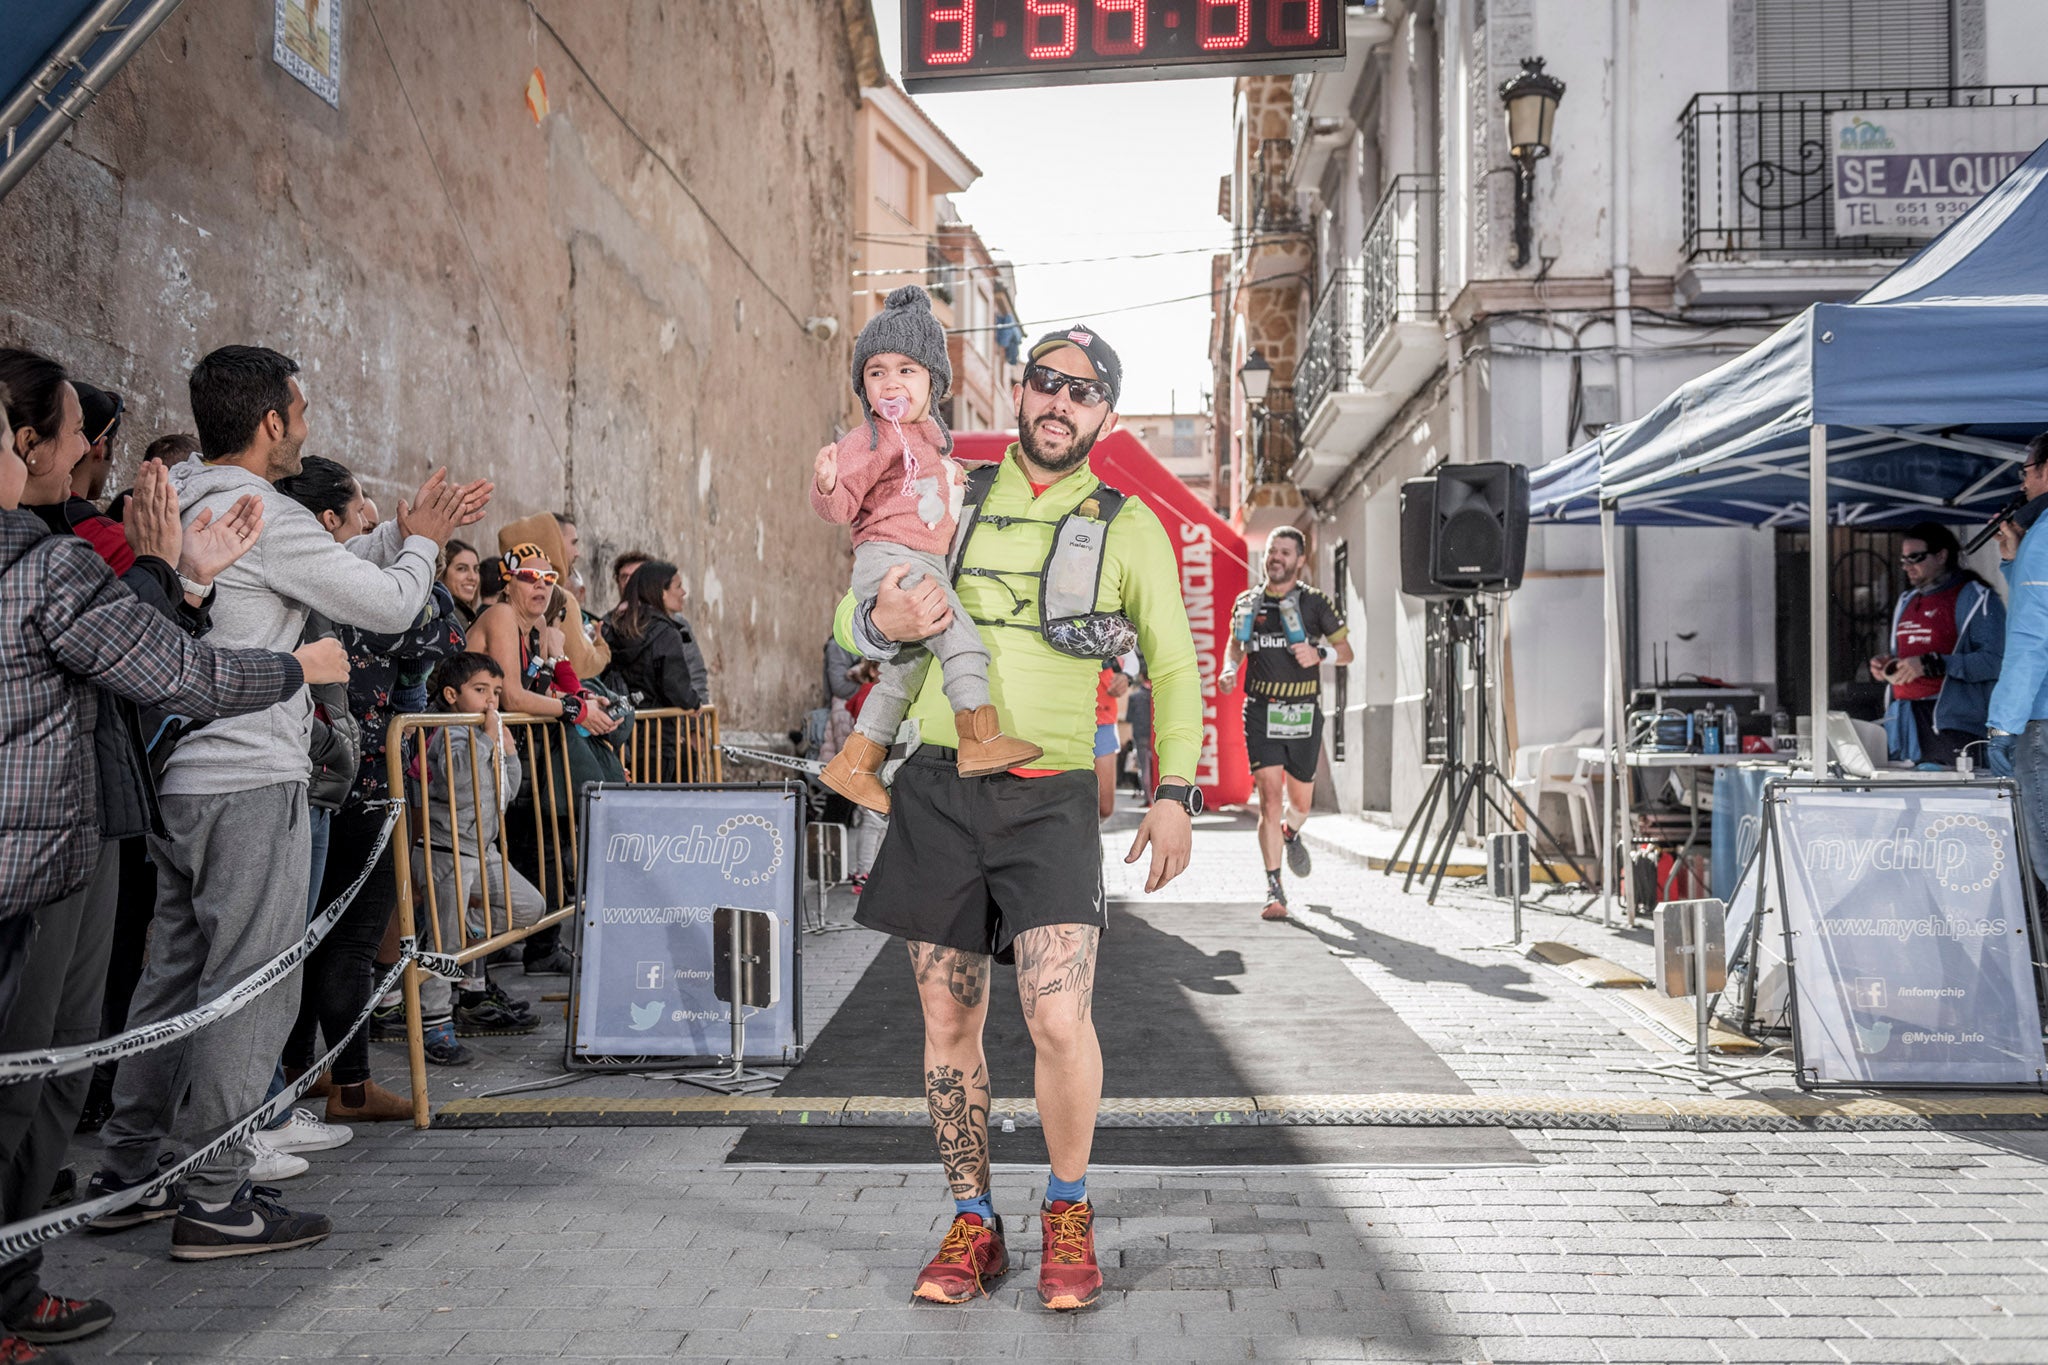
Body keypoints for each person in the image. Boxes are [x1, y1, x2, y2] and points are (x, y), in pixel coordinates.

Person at [87, 345, 490, 1261]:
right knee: (249, 988)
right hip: (247, 780)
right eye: (300, 408)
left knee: (176, 981)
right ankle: (219, 1195)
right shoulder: (264, 510)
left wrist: (408, 537)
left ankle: (126, 1171)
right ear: (271, 421)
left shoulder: (183, 489)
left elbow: (326, 575)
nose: (306, 423)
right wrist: (423, 541)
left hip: (183, 781)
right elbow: (384, 605)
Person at [838, 324, 1200, 1311]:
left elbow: (1171, 664)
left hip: (1047, 800)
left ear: (1104, 417)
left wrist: (1173, 794)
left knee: (1055, 1014)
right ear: (1019, 393)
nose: (1057, 401)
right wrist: (878, 625)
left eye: (1081, 392)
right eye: (1044, 382)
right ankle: (971, 1221)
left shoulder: (1126, 524)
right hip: (937, 786)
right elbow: (851, 607)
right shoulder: (950, 491)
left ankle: (1067, 1210)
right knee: (948, 1016)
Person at [0, 358, 343, 1357]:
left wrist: (176, 576)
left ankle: (38, 1260)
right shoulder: (46, 562)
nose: (86, 452)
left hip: (74, 838)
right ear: (26, 446)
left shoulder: (51, 556)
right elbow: (168, 672)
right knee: (37, 1074)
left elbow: (130, 653)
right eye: (70, 434)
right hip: (45, 853)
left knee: (71, 1056)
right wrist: (294, 662)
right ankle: (184, 1203)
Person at [275, 453, 481, 1093]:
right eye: (360, 504)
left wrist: (412, 550)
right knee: (348, 942)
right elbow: (436, 633)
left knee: (313, 942)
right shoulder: (343, 591)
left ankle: (307, 1081)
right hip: (353, 782)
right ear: (327, 518)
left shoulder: (316, 577)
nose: (372, 515)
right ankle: (346, 1085)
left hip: (333, 777)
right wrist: (425, 563)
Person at [814, 286, 1042, 812]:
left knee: (904, 672)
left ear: (934, 382)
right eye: (876, 371)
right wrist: (827, 484)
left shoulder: (927, 443)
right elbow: (840, 507)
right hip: (895, 559)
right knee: (961, 639)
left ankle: (857, 760)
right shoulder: (874, 437)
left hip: (914, 558)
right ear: (863, 386)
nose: (890, 381)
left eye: (906, 370)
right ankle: (980, 736)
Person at [467, 541, 619, 976]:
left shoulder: (532, 630)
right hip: (471, 757)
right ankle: (466, 986)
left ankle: (491, 973)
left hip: (510, 758)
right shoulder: (499, 616)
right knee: (480, 868)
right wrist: (576, 709)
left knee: (532, 853)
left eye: (549, 579)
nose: (541, 586)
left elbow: (545, 692)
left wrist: (566, 676)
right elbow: (511, 695)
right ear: (508, 581)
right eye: (530, 578)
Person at [1219, 527, 1353, 921]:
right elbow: (1235, 644)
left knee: (1300, 805)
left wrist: (1319, 654)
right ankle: (1274, 886)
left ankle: (1292, 831)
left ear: (1299, 561)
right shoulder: (1248, 601)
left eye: (1284, 552)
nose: (1275, 557)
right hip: (1261, 709)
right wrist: (1230, 669)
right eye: (1272, 551)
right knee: (1270, 800)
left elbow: (1347, 652)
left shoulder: (1315, 603)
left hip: (1303, 713)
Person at [418, 653, 548, 1029]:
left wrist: (507, 751)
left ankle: (466, 927)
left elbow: (505, 792)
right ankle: (435, 1022)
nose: (491, 701)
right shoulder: (449, 729)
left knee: (530, 907)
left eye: (495, 691)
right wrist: (487, 739)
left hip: (483, 848)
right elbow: (459, 780)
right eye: (480, 691)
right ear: (452, 694)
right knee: (446, 946)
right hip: (450, 849)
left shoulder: (482, 731)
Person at [1868, 522, 2003, 768]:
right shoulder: (1906, 600)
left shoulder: (1977, 597)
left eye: (1915, 558)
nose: (1907, 566)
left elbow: (1995, 662)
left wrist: (1932, 664)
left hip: (1951, 723)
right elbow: (1910, 653)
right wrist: (1887, 665)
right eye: (1903, 560)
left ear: (1942, 555)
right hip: (1905, 721)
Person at [1987, 435, 2048, 867]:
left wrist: (2003, 725)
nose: (2022, 482)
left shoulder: (2044, 537)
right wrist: (2014, 560)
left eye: (2026, 471)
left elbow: (2032, 636)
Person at [602, 561, 704, 711]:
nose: (683, 592)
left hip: (623, 723)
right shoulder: (665, 633)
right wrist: (694, 703)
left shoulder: (615, 626)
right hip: (659, 726)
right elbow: (675, 685)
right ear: (662, 593)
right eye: (678, 586)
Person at [1093, 666, 1131, 819]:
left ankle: (1092, 836)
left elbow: (1131, 657)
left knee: (1105, 807)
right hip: (1060, 713)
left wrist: (1126, 675)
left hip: (1102, 715)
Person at [441, 538, 483, 627]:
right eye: (462, 569)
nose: (472, 577)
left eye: (476, 569)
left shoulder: (464, 616)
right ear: (442, 573)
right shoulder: (449, 619)